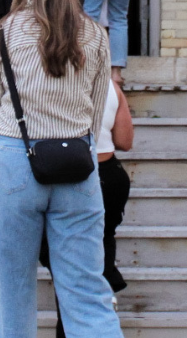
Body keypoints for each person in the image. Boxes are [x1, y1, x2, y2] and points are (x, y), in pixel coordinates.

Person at [0, 0, 123, 338]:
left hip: (15, 157)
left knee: (13, 293)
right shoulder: (94, 34)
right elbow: (95, 113)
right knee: (87, 292)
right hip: (77, 158)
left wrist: (7, 159)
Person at [40, 77, 134, 338]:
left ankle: (80, 313)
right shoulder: (112, 87)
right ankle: (104, 284)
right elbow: (125, 141)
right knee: (102, 239)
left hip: (74, 174)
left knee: (62, 255)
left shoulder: (52, 82)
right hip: (111, 174)